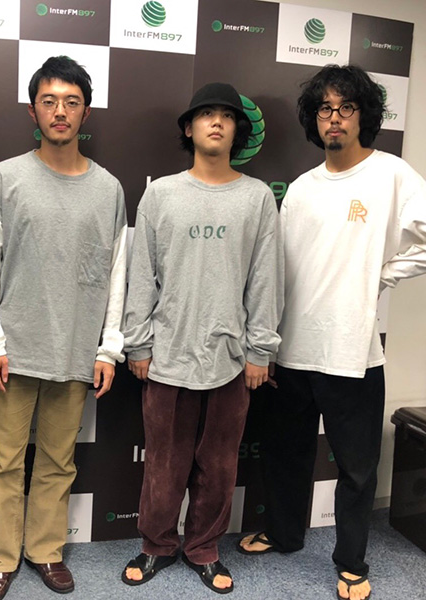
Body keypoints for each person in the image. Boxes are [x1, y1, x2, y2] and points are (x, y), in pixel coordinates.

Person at [238, 65, 426, 600]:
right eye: (325, 108)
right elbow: (279, 270)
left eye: (346, 107)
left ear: (364, 114)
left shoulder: (392, 174)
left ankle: (351, 562)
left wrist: (381, 276)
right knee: (285, 454)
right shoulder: (301, 188)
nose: (335, 118)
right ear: (314, 119)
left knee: (357, 469)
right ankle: (284, 534)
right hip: (293, 349)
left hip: (352, 354)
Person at [0, 56, 127, 599]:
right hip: (12, 349)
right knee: (4, 463)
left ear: (86, 112)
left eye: (72, 101)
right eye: (49, 101)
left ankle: (45, 550)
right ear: (33, 110)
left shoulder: (109, 189)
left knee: (59, 462)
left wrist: (108, 348)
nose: (60, 111)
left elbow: (117, 273)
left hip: (77, 351)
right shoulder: (5, 178)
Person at [121, 82, 282, 594]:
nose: (216, 122)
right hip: (168, 355)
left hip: (231, 359)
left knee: (219, 466)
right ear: (189, 128)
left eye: (226, 116)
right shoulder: (161, 194)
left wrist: (260, 350)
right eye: (206, 114)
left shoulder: (257, 197)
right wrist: (138, 342)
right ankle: (156, 545)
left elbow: (265, 279)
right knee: (163, 464)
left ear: (238, 131)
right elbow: (141, 274)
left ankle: (204, 548)